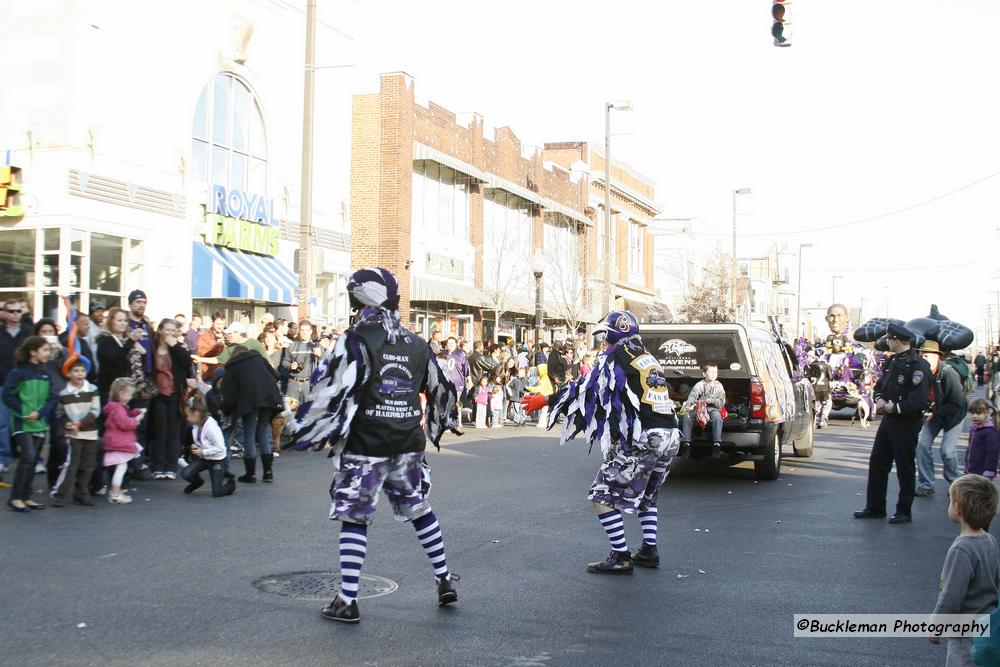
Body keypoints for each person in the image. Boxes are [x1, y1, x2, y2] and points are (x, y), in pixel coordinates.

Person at [293, 267, 461, 623]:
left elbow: (329, 392)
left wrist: (307, 428)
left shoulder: (353, 340)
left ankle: (348, 599)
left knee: (355, 518)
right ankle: (444, 578)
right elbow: (442, 390)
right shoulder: (416, 344)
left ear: (357, 300)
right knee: (420, 510)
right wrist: (440, 423)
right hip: (407, 445)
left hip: (365, 446)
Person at [523, 310, 680, 574]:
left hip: (645, 436)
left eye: (605, 337)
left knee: (601, 495)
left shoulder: (617, 357)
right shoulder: (648, 358)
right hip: (671, 434)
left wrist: (548, 400)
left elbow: (587, 388)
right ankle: (649, 550)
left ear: (612, 336)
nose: (603, 344)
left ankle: (620, 555)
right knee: (648, 497)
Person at [854, 322, 931, 524]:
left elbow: (919, 400)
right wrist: (879, 398)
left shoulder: (917, 365)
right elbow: (881, 385)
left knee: (904, 467)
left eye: (889, 339)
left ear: (897, 340)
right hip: (889, 421)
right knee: (878, 462)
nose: (887, 342)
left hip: (906, 422)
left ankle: (904, 510)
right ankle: (875, 507)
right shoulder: (893, 361)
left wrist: (895, 407)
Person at [929, 474, 1000, 665]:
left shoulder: (961, 549)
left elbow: (951, 595)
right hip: (988, 622)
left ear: (958, 508)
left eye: (951, 501)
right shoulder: (989, 540)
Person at [2, 337, 57, 511]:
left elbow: (51, 399)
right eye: (45, 350)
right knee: (28, 456)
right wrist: (24, 412)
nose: (48, 354)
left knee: (32, 460)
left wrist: (40, 413)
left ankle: (26, 496)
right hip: (22, 423)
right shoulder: (18, 373)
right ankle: (15, 497)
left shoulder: (45, 374)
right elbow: (7, 395)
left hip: (39, 423)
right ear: (33, 352)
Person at [222, 344, 282, 483]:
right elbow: (276, 375)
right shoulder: (260, 359)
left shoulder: (233, 365)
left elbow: (229, 392)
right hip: (268, 397)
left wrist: (226, 410)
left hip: (249, 400)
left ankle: (251, 473)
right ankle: (268, 472)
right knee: (263, 429)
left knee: (249, 431)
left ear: (233, 354)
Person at [915, 340, 967, 497]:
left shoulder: (948, 373)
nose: (924, 358)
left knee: (947, 451)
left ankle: (955, 485)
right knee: (921, 444)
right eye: (921, 355)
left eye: (927, 355)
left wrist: (935, 413)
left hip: (954, 415)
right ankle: (926, 484)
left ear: (938, 357)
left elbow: (956, 404)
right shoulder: (921, 372)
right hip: (935, 413)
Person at [149, 318, 195, 480]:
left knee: (173, 431)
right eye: (166, 330)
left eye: (172, 330)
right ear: (160, 330)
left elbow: (186, 363)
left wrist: (174, 345)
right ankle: (158, 465)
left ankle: (170, 466)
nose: (168, 333)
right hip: (158, 394)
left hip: (175, 393)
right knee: (159, 430)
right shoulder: (153, 348)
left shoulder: (177, 348)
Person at [50, 359, 100, 507]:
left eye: (82, 371)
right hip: (73, 434)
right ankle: (59, 493)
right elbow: (60, 413)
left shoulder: (92, 389)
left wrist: (80, 423)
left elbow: (95, 411)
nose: (80, 374)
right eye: (76, 371)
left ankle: (81, 493)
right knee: (71, 464)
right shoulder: (64, 393)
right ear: (68, 373)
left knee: (88, 465)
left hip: (90, 433)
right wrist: (67, 423)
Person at [181, 393, 235, 497]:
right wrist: (195, 446)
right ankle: (197, 482)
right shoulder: (196, 426)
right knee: (185, 474)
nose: (186, 418)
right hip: (204, 458)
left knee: (217, 492)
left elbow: (220, 448)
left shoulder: (211, 428)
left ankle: (230, 486)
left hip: (216, 460)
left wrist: (203, 451)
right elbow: (200, 440)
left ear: (196, 414)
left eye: (188, 415)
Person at [102, 378, 144, 505]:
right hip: (119, 442)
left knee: (121, 467)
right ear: (121, 393)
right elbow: (125, 423)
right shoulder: (119, 409)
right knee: (121, 467)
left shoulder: (116, 407)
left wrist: (135, 412)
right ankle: (115, 493)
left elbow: (125, 417)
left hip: (116, 441)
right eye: (130, 394)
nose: (131, 397)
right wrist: (137, 419)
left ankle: (116, 491)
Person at [678, 363, 726, 459]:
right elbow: (693, 396)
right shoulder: (699, 384)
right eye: (711, 372)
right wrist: (687, 405)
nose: (713, 374)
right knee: (687, 417)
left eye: (715, 372)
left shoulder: (719, 386)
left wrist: (709, 401)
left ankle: (717, 444)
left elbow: (721, 402)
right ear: (704, 374)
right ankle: (686, 444)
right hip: (700, 408)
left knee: (717, 417)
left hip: (713, 409)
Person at [282, 320, 321, 405]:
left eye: (307, 330)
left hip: (308, 384)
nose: (304, 333)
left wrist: (320, 356)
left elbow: (326, 363)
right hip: (293, 383)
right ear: (299, 331)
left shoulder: (316, 346)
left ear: (311, 331)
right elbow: (284, 361)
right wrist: (290, 365)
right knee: (291, 412)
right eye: (302, 330)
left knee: (307, 413)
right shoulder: (291, 346)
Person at [965, 399, 999, 478]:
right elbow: (970, 449)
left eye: (978, 413)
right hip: (972, 470)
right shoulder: (974, 429)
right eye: (972, 413)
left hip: (983, 472)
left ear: (987, 413)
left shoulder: (990, 432)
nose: (974, 416)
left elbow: (993, 453)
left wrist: (989, 471)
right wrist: (967, 467)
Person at [442, 337, 470, 428]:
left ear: (456, 344)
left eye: (452, 343)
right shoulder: (442, 354)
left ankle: (457, 421)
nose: (450, 345)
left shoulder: (461, 354)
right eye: (448, 343)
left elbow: (466, 368)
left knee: (456, 402)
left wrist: (469, 380)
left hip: (457, 382)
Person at [806, 352, 833, 429]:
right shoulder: (826, 365)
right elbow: (830, 377)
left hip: (814, 388)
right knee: (826, 404)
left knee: (816, 404)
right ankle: (822, 419)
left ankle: (816, 420)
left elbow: (807, 378)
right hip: (824, 388)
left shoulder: (810, 366)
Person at [196, 312, 227, 378]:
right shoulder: (205, 336)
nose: (220, 326)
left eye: (222, 324)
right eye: (218, 324)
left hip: (224, 373)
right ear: (212, 322)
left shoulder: (226, 335)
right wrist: (217, 346)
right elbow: (201, 353)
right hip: (210, 374)